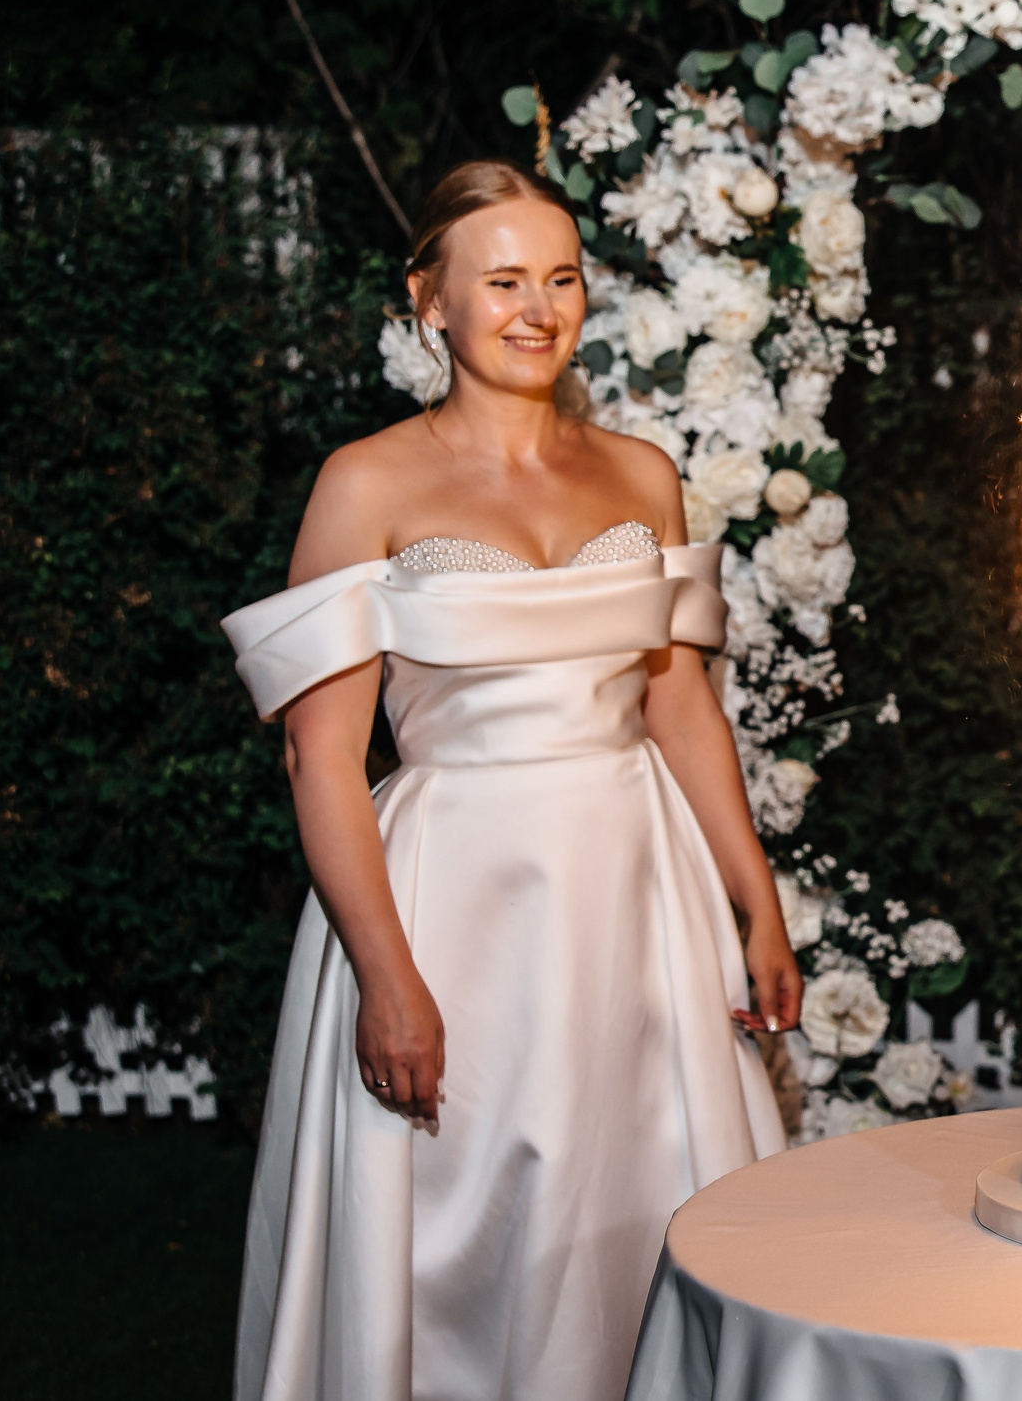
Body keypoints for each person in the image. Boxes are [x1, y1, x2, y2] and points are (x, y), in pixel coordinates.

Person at [220, 161, 800, 1401]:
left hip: (635, 890)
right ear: (431, 300)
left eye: (562, 278)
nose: (537, 309)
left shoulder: (640, 472)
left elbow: (679, 700)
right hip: (452, 898)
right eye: (501, 282)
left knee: (642, 1204)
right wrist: (386, 977)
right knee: (457, 1230)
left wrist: (754, 899)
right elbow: (318, 753)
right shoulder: (365, 483)